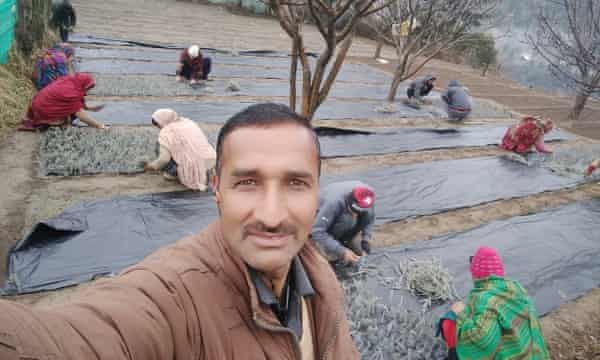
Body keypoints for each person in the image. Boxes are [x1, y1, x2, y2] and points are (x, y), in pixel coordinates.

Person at [0, 103, 360, 359]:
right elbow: (80, 339)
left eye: (296, 183)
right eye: (247, 182)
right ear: (217, 188)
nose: (271, 215)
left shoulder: (319, 278)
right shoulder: (175, 294)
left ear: (317, 191)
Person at [437, 246, 550, 359]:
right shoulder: (515, 287)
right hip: (533, 354)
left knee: (449, 322)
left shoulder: (483, 297)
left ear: (475, 274)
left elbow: (483, 340)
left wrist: (460, 313)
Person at [144, 108, 216, 191]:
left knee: (160, 144)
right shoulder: (189, 123)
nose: (159, 127)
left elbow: (164, 159)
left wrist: (151, 166)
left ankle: (174, 174)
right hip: (211, 163)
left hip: (192, 166)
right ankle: (201, 173)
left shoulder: (166, 132)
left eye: (157, 124)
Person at [312, 181, 375, 265]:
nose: (355, 214)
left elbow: (370, 218)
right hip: (318, 213)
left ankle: (346, 238)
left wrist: (366, 239)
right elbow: (317, 231)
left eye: (358, 212)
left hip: (343, 211)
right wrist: (341, 250)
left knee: (364, 215)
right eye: (353, 210)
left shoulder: (368, 195)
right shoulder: (333, 202)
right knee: (347, 220)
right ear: (349, 200)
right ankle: (329, 242)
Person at [20, 73, 108, 131]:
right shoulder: (71, 92)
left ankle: (50, 120)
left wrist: (89, 108)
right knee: (72, 114)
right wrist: (98, 125)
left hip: (37, 104)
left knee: (71, 111)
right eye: (88, 88)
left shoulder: (71, 82)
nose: (87, 90)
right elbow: (81, 115)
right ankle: (46, 122)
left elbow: (76, 102)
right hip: (42, 109)